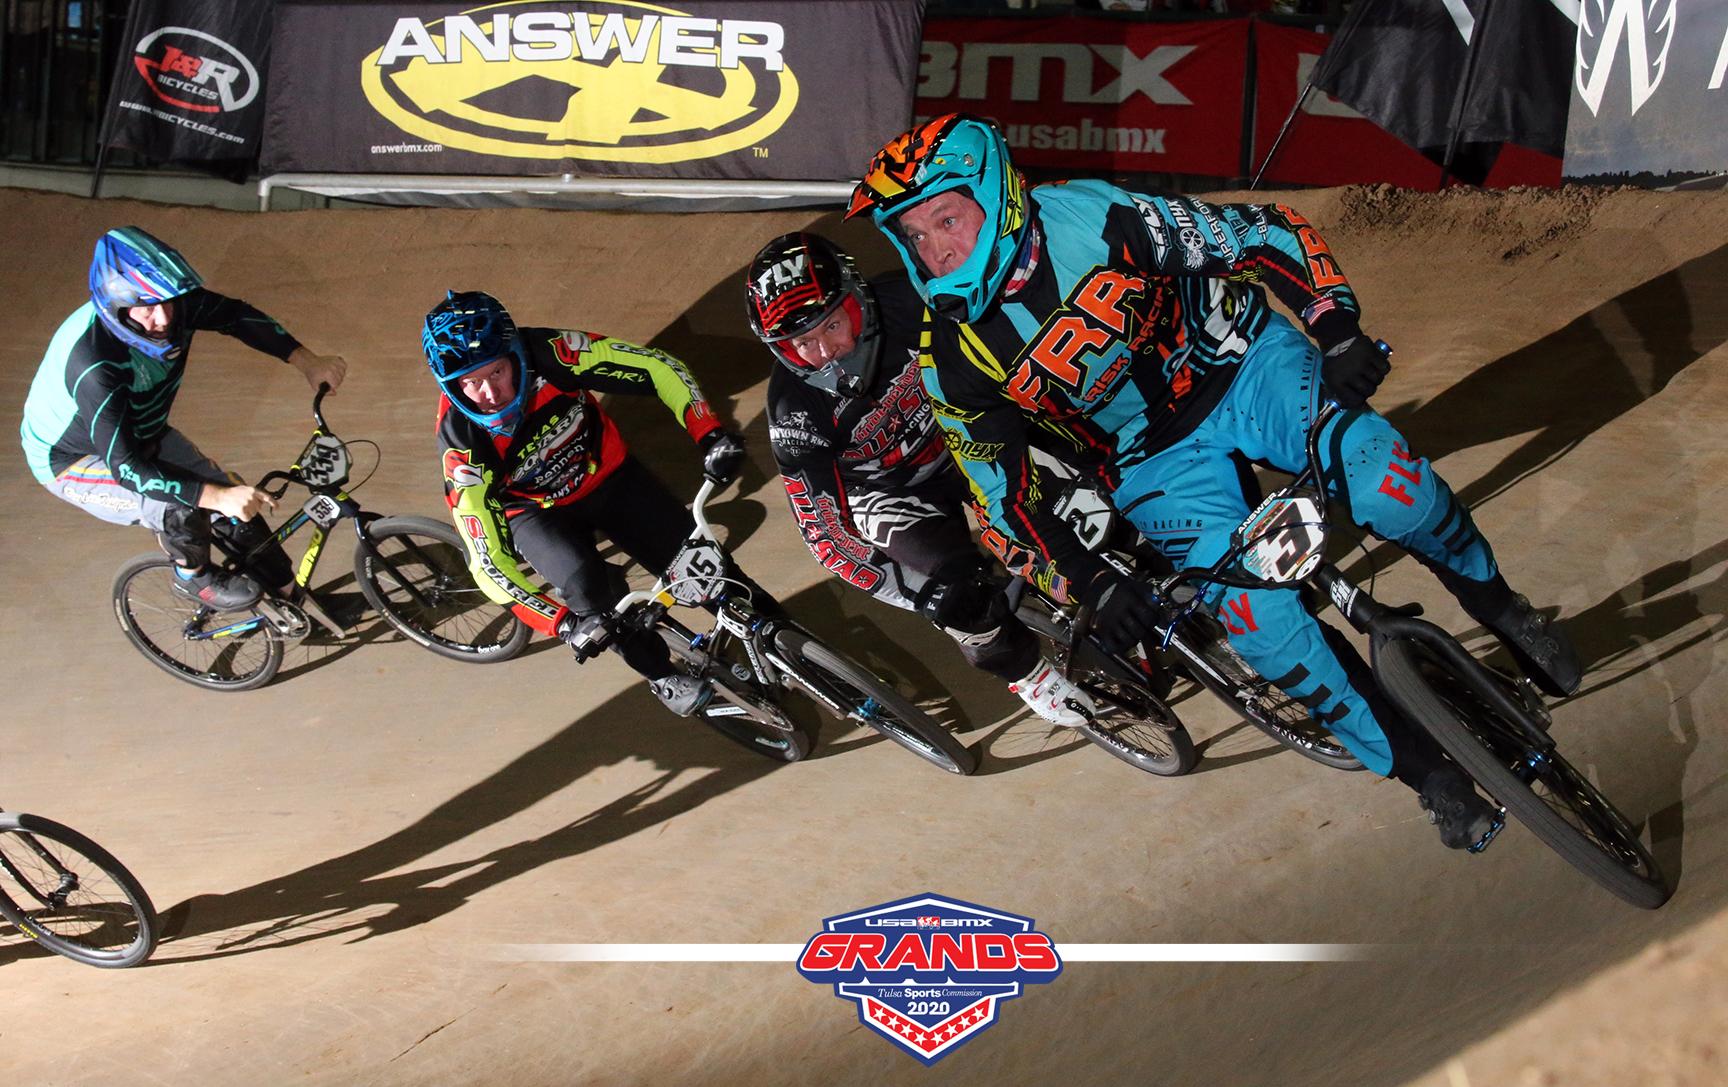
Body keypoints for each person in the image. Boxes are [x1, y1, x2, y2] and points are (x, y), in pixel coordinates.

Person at [847, 113, 1582, 849]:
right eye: (916, 235)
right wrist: (1092, 582)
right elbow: (1005, 498)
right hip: (1151, 461)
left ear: (996, 194)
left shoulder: (1098, 217)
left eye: (948, 220)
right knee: (1265, 632)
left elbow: (1264, 235)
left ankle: (1505, 611)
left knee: (1392, 487)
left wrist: (1336, 329)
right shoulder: (949, 357)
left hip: (1246, 365)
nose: (937, 251)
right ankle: (1431, 777)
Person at [744, 232, 1099, 728]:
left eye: (832, 325)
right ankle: (1029, 676)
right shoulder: (793, 409)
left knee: (1092, 482)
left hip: (969, 434)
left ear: (857, 300)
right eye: (803, 343)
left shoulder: (910, 301)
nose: (825, 352)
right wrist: (923, 595)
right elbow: (825, 533)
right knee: (960, 603)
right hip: (891, 493)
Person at [422, 290, 758, 717]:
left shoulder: (549, 353)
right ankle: (661, 674)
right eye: (471, 382)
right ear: (451, 386)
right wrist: (562, 623)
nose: (490, 393)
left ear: (515, 353)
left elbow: (657, 367)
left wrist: (708, 433)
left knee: (717, 576)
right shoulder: (462, 447)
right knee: (591, 595)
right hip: (535, 513)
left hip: (610, 477)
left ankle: (771, 634)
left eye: (497, 371)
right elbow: (487, 563)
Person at [21, 226, 347, 609]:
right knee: (181, 504)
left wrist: (307, 361)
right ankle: (191, 578)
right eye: (147, 307)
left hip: (142, 430)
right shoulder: (94, 365)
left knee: (232, 498)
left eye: (167, 302)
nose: (163, 318)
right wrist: (216, 497)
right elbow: (127, 469)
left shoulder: (174, 306)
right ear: (117, 305)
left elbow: (236, 316)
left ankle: (294, 600)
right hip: (75, 460)